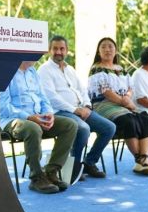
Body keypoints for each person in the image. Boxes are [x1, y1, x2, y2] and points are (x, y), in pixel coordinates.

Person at [38, 35, 115, 183]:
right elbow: (51, 97)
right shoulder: (44, 70)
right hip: (60, 112)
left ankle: (89, 163)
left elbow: (82, 90)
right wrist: (75, 110)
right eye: (55, 48)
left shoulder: (70, 69)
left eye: (62, 48)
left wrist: (86, 105)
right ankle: (74, 167)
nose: (58, 52)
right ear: (49, 50)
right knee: (84, 129)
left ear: (67, 50)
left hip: (81, 109)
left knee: (109, 128)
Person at [0, 61, 77, 194]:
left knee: (70, 125)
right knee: (33, 128)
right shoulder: (5, 72)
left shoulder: (33, 71)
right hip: (13, 119)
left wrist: (49, 114)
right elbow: (4, 107)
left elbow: (43, 97)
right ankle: (36, 178)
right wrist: (29, 117)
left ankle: (51, 172)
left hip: (37, 117)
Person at [88, 37, 148, 175]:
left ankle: (144, 158)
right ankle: (139, 159)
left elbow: (130, 87)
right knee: (128, 119)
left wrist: (127, 97)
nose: (107, 49)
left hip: (123, 103)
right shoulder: (96, 69)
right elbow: (105, 91)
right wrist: (123, 101)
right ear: (98, 51)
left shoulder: (121, 69)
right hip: (104, 104)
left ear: (116, 50)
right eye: (103, 47)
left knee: (144, 117)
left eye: (110, 46)